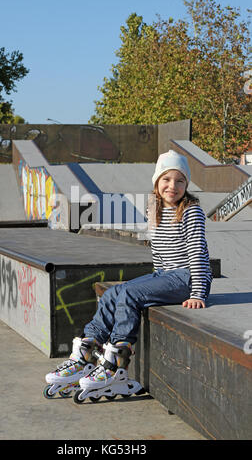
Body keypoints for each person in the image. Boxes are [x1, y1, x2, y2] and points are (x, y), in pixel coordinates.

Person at [44, 150, 213, 402]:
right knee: (114, 292)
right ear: (157, 182)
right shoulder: (154, 209)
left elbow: (197, 252)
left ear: (186, 185)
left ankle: (116, 363)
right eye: (166, 180)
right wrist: (156, 282)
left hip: (188, 278)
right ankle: (86, 353)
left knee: (131, 294)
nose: (172, 186)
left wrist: (198, 292)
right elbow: (159, 252)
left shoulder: (191, 211)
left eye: (179, 181)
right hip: (165, 275)